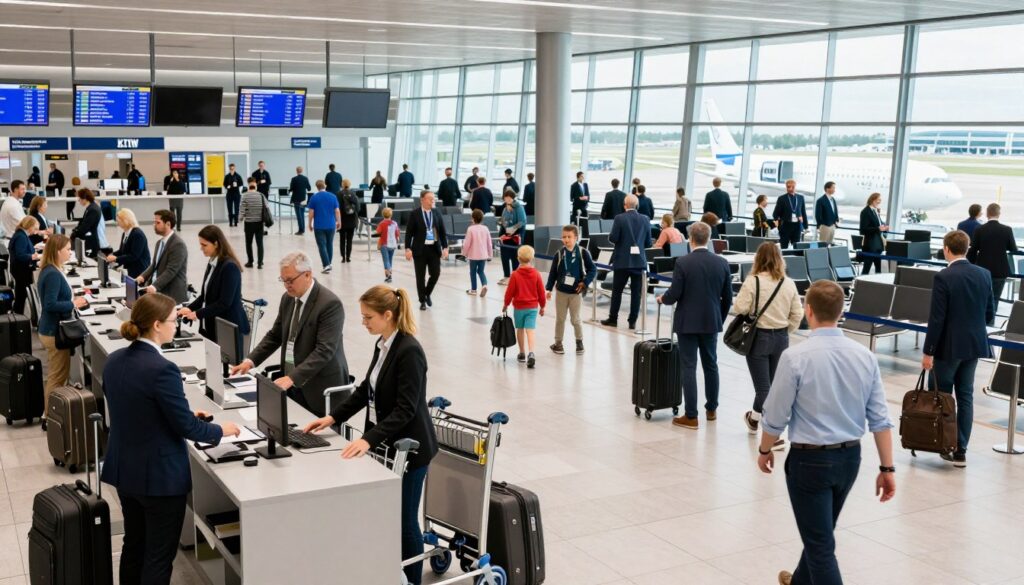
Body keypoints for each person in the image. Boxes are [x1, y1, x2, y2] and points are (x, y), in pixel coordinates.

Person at [758, 280, 895, 585]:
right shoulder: (865, 357)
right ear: (842, 310)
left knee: (820, 546)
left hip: (810, 464)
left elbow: (775, 416)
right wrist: (887, 468)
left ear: (808, 311)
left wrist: (765, 449)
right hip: (850, 459)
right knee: (821, 532)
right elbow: (880, 420)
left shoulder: (795, 358)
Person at [302, 285, 438, 585]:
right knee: (385, 515)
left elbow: (406, 409)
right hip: (387, 445)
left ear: (388, 315)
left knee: (405, 521)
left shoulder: (409, 351)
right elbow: (367, 389)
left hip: (411, 450)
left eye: (368, 318)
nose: (363, 323)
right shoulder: (383, 344)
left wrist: (368, 439)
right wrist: (333, 416)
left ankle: (412, 579)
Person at [102, 292, 240, 585]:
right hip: (159, 479)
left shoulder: (115, 360)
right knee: (158, 556)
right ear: (156, 325)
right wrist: (220, 430)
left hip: (125, 471)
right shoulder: (163, 369)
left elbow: (138, 408)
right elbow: (185, 428)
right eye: (173, 321)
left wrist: (185, 414)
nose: (176, 326)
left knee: (134, 544)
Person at [230, 251, 349, 416]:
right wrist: (250, 361)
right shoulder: (288, 299)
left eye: (290, 280)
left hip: (318, 389)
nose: (286, 285)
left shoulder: (329, 304)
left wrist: (292, 378)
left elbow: (324, 350)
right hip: (292, 383)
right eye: (283, 280)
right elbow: (275, 335)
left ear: (307, 275)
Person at [922, 230, 994, 468]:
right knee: (965, 396)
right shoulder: (984, 274)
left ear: (946, 249)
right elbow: (989, 314)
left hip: (949, 347)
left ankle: (945, 444)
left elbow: (937, 319)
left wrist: (928, 351)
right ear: (968, 248)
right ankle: (961, 450)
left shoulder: (944, 277)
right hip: (974, 345)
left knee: (943, 395)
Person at [657, 221, 732, 430]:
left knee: (688, 367)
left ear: (690, 239)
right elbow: (727, 298)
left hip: (687, 323)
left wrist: (663, 299)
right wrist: (719, 317)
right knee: (711, 365)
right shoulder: (722, 263)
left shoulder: (683, 262)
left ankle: (691, 415)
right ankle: (711, 409)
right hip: (711, 322)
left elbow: (675, 294)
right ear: (708, 239)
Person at [734, 242, 803, 439]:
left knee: (765, 389)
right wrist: (785, 329)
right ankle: (754, 419)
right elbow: (797, 314)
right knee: (772, 386)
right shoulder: (788, 283)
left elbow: (740, 308)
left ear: (758, 259)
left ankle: (774, 436)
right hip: (781, 338)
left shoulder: (753, 281)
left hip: (759, 338)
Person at [38, 234, 89, 409]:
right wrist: (73, 303)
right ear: (57, 251)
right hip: (54, 332)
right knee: (57, 376)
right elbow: (50, 304)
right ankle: (49, 415)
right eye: (67, 249)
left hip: (50, 329)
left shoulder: (52, 269)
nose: (70, 252)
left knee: (58, 374)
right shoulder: (52, 274)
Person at [178, 225, 249, 344]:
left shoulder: (229, 267)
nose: (201, 248)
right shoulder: (212, 262)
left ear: (216, 244)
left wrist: (197, 314)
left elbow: (224, 303)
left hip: (227, 327)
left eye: (204, 245)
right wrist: (188, 308)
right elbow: (204, 297)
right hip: (210, 324)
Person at [601, 195, 653, 330]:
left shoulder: (619, 218)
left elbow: (613, 238)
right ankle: (632, 321)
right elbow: (648, 243)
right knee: (636, 293)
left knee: (617, 291)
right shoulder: (645, 219)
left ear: (625, 205)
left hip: (622, 261)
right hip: (639, 262)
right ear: (637, 205)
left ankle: (613, 319)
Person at [546, 225, 595, 355]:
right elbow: (553, 273)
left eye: (569, 237)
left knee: (575, 319)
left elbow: (592, 270)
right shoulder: (559, 253)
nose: (566, 239)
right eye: (564, 237)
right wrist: (549, 289)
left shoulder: (583, 252)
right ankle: (558, 343)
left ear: (576, 238)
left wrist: (585, 282)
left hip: (575, 293)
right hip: (561, 292)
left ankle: (579, 343)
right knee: (560, 319)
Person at [968, 202, 1017, 312]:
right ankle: (991, 324)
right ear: (999, 214)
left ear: (987, 214)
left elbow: (973, 249)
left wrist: (969, 266)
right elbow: (1013, 249)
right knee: (995, 299)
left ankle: (981, 324)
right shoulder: (1007, 229)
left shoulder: (979, 229)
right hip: (1000, 270)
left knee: (981, 298)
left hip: (981, 269)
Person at [405, 191, 449, 311]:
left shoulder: (436, 213)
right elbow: (409, 233)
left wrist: (445, 247)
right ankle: (422, 301)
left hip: (434, 249)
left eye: (433, 199)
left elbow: (442, 232)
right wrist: (407, 248)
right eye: (430, 199)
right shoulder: (415, 214)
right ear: (422, 200)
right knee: (420, 277)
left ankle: (427, 293)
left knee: (436, 273)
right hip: (419, 249)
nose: (432, 201)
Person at [503, 245, 545, 368]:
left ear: (518, 258)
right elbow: (541, 292)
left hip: (519, 308)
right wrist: (542, 306)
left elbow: (509, 292)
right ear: (532, 258)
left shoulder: (515, 275)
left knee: (520, 329)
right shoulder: (536, 274)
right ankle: (531, 353)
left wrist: (506, 304)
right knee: (530, 331)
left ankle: (522, 353)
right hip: (532, 307)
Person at [137, 210, 189, 304]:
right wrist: (142, 276)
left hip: (171, 294)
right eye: (154, 222)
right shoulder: (159, 243)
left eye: (158, 222)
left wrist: (155, 286)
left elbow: (171, 270)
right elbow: (154, 265)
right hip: (158, 290)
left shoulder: (178, 244)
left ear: (168, 224)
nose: (154, 225)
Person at [306, 180, 340, 273]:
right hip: (331, 225)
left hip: (319, 226)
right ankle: (329, 263)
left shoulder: (314, 197)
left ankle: (326, 265)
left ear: (317, 187)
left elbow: (311, 212)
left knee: (322, 245)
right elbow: (337, 211)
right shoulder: (333, 196)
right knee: (329, 244)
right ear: (325, 185)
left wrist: (310, 223)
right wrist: (339, 221)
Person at [107, 209, 151, 278]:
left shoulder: (137, 234)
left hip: (139, 271)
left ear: (125, 220)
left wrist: (116, 259)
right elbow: (122, 251)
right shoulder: (125, 233)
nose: (117, 223)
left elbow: (134, 256)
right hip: (131, 269)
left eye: (119, 221)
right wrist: (110, 256)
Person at [9, 216, 40, 317]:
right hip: (21, 270)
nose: (35, 231)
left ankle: (18, 317)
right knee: (21, 296)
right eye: (35, 228)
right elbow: (20, 255)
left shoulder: (21, 234)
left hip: (20, 269)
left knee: (21, 296)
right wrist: (33, 256)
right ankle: (18, 318)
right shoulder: (21, 236)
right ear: (29, 226)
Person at [497, 190, 526, 285]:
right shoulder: (505, 208)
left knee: (514, 256)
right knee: (504, 256)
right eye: (506, 197)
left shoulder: (519, 208)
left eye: (509, 197)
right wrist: (502, 232)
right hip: (506, 235)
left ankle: (515, 277)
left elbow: (522, 221)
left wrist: (512, 229)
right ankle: (506, 276)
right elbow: (503, 222)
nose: (508, 199)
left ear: (513, 198)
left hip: (516, 235)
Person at [462, 209, 492, 296]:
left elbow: (467, 243)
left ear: (473, 219)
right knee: (481, 271)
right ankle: (484, 285)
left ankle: (474, 290)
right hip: (483, 255)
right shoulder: (485, 228)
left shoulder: (470, 229)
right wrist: (490, 254)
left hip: (473, 256)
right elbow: (489, 243)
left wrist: (464, 253)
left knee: (472, 272)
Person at [239, 178, 266, 269]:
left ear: (248, 186)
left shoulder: (245, 196)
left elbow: (242, 210)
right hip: (259, 223)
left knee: (249, 243)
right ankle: (260, 263)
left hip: (249, 223)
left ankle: (250, 262)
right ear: (255, 186)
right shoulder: (261, 195)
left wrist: (240, 219)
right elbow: (266, 207)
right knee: (260, 243)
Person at [859, 192, 888, 275]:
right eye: (878, 200)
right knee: (867, 267)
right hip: (870, 244)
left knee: (878, 268)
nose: (880, 202)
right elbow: (863, 229)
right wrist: (878, 228)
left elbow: (879, 224)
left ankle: (877, 284)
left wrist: (884, 227)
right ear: (873, 200)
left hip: (877, 244)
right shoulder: (866, 212)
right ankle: (860, 284)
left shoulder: (875, 211)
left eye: (880, 200)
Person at [772, 179, 806, 249]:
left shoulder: (800, 198)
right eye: (788, 187)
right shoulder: (782, 198)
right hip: (785, 226)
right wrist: (779, 227)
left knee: (796, 247)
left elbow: (803, 212)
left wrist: (805, 226)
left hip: (797, 226)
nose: (790, 189)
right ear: (786, 187)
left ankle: (795, 260)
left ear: (795, 187)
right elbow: (775, 214)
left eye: (792, 187)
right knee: (784, 247)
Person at [70, 189, 102, 258]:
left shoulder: (93, 209)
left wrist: (75, 233)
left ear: (85, 198)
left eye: (79, 198)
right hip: (89, 240)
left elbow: (85, 227)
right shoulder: (90, 208)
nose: (78, 201)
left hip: (91, 243)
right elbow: (83, 223)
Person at [338, 179, 361, 263]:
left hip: (342, 219)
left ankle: (343, 257)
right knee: (349, 239)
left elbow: (336, 208)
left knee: (342, 239)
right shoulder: (353, 194)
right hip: (351, 220)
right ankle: (348, 257)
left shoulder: (339, 194)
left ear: (342, 185)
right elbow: (358, 208)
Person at [376, 207, 400, 283]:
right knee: (390, 260)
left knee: (386, 260)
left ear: (383, 214)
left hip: (384, 244)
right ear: (391, 214)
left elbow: (378, 232)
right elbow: (397, 233)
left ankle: (389, 276)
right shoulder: (395, 223)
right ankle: (389, 275)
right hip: (393, 245)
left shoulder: (382, 223)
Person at [289, 166, 312, 236]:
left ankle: (301, 230)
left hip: (296, 199)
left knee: (298, 215)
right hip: (303, 199)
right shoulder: (305, 178)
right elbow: (309, 188)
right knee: (302, 214)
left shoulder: (294, 179)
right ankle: (302, 229)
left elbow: (291, 188)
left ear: (296, 171)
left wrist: (289, 190)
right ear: (302, 171)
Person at [223, 163, 244, 227]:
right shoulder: (227, 176)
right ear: (229, 169)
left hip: (236, 194)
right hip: (229, 194)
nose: (232, 169)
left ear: (234, 168)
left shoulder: (238, 176)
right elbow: (224, 184)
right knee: (229, 208)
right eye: (230, 168)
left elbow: (241, 183)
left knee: (236, 208)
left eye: (233, 168)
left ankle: (236, 222)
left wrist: (237, 185)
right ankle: (230, 222)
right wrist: (227, 186)